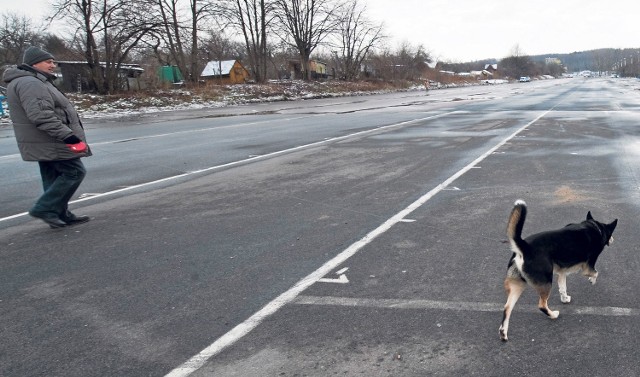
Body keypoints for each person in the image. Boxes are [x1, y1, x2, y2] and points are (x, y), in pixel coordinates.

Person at [3, 46, 92, 228]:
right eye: (48, 61)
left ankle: (58, 213)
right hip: (52, 140)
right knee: (74, 172)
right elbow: (42, 116)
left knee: (53, 177)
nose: (53, 65)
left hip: (43, 140)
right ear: (34, 63)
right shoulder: (31, 83)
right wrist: (70, 138)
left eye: (53, 61)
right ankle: (45, 208)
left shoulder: (33, 81)